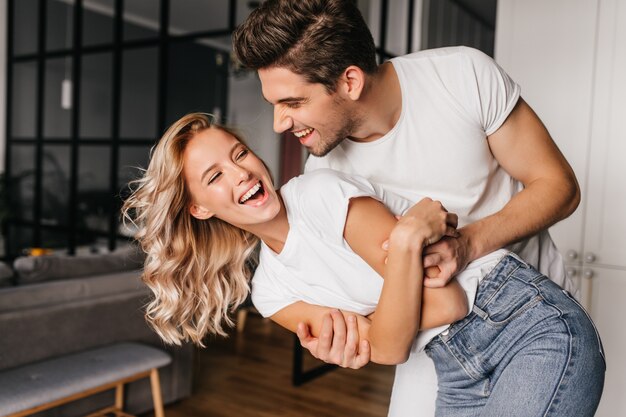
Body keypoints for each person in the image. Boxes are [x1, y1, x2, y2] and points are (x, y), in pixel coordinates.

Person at [122, 113, 604, 417]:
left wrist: (377, 329)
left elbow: (448, 301)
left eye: (239, 154)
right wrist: (408, 244)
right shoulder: (270, 291)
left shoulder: (320, 193)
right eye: (215, 176)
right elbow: (389, 346)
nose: (242, 173)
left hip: (525, 323)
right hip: (453, 365)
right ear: (200, 208)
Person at [232, 1, 583, 415]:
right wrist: (351, 339)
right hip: (434, 346)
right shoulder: (324, 171)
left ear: (350, 81)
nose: (279, 123)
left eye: (293, 102)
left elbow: (559, 187)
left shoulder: (460, 76)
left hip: (529, 316)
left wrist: (467, 244)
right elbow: (378, 301)